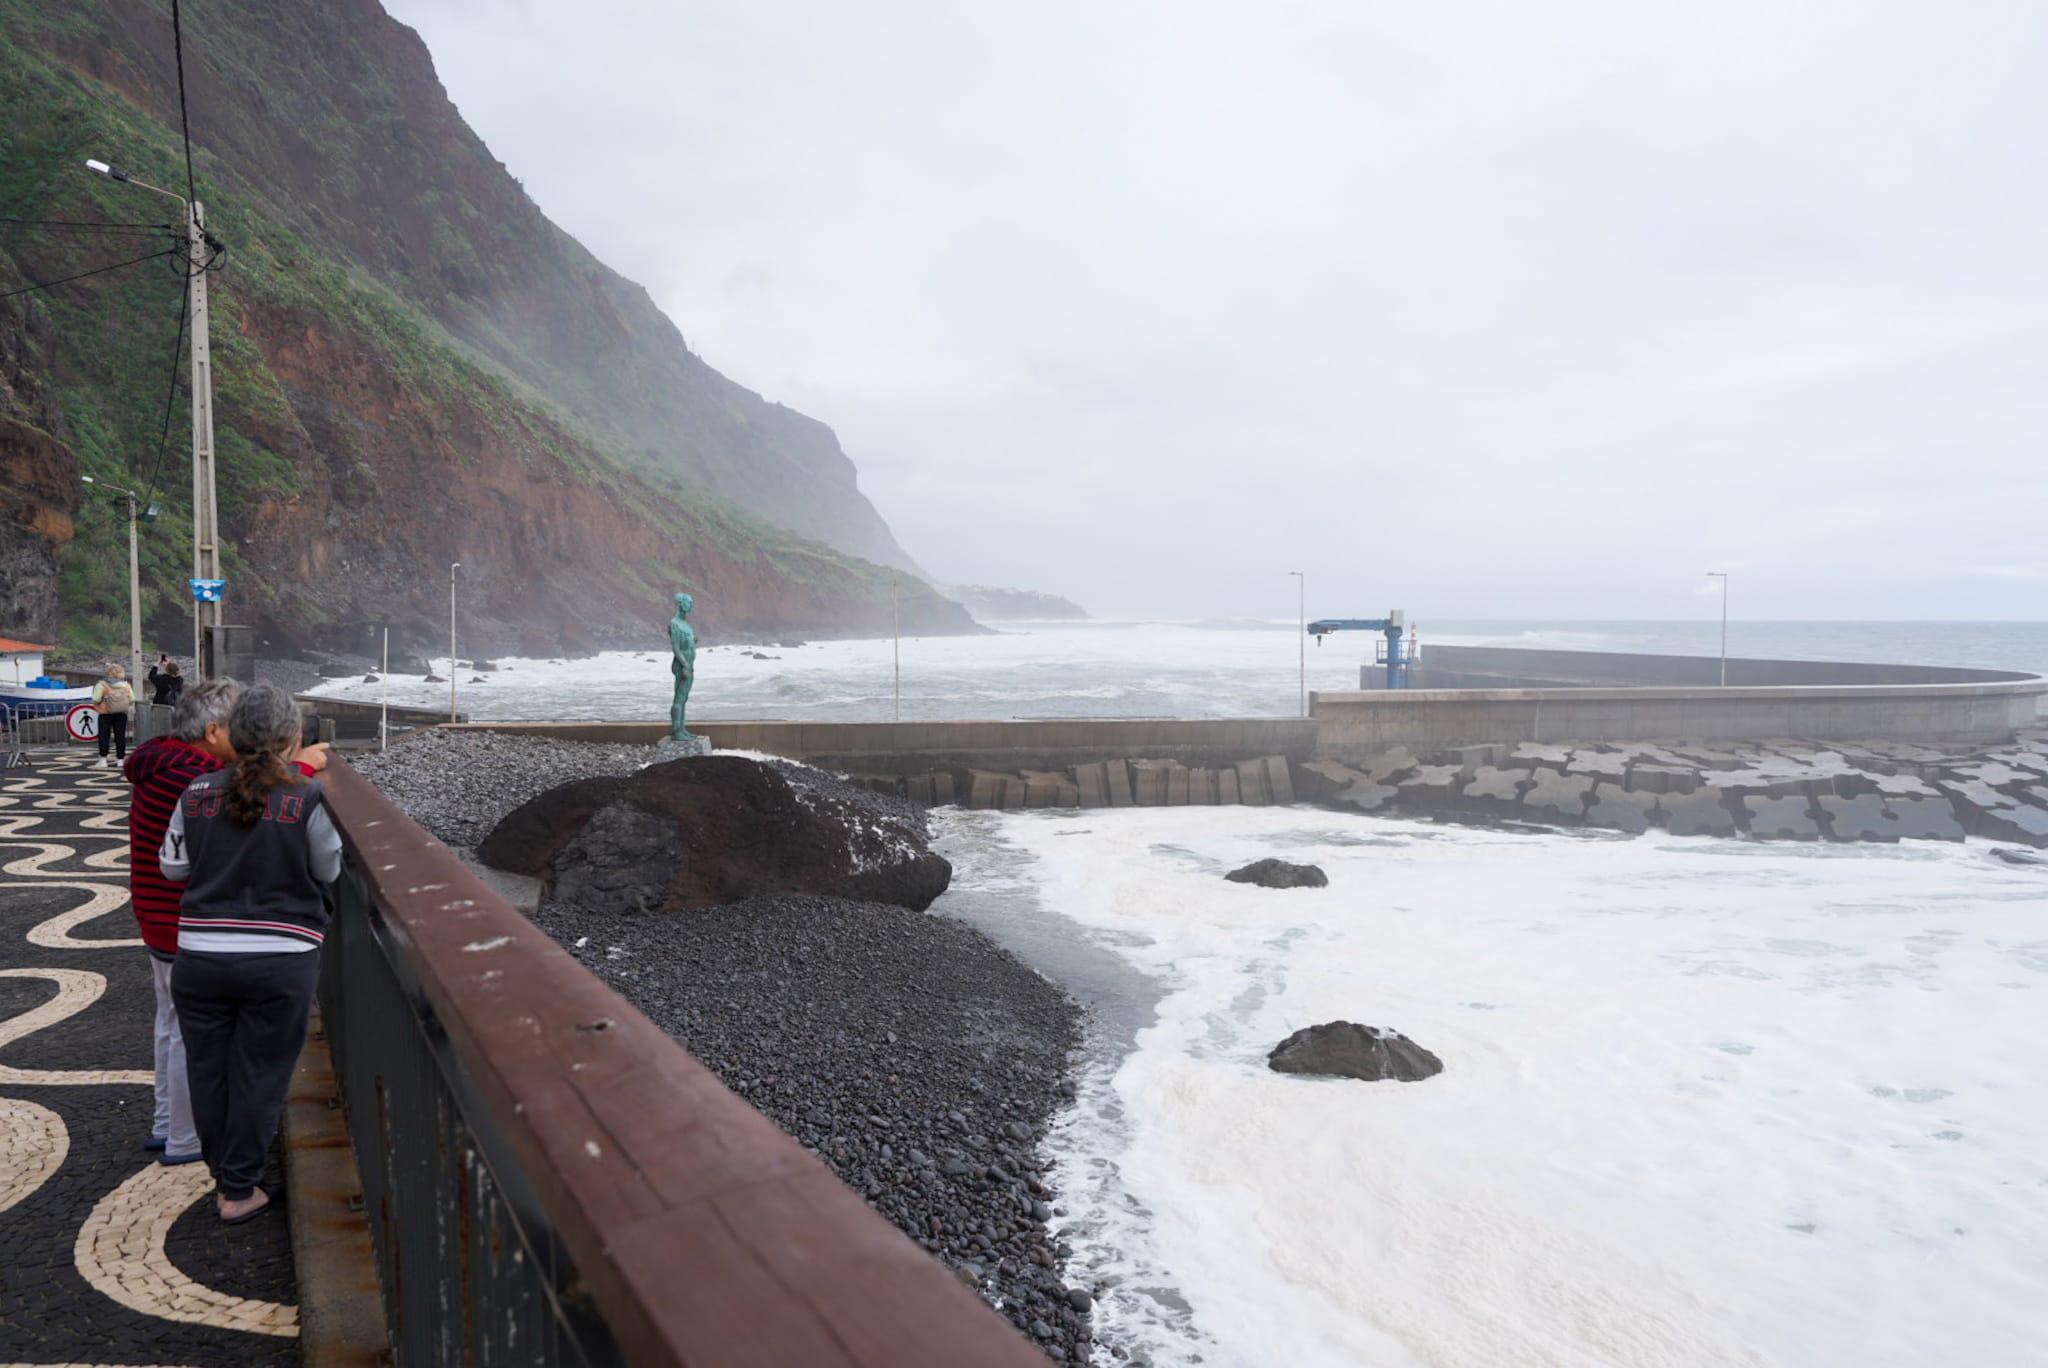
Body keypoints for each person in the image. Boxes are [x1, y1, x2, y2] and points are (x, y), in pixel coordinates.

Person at [125, 680, 328, 1169]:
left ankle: (166, 1125)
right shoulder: (193, 777)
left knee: (170, 1024)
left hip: (159, 915)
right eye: (238, 723)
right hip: (185, 922)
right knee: (187, 1040)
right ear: (214, 730)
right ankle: (184, 1138)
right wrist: (299, 769)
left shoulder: (164, 761)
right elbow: (248, 802)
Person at [92, 663, 133, 767]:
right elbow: (132, 699)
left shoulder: (101, 685)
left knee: (104, 736)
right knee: (120, 736)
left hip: (105, 713)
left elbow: (96, 699)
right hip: (121, 714)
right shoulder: (126, 685)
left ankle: (103, 760)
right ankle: (120, 760)